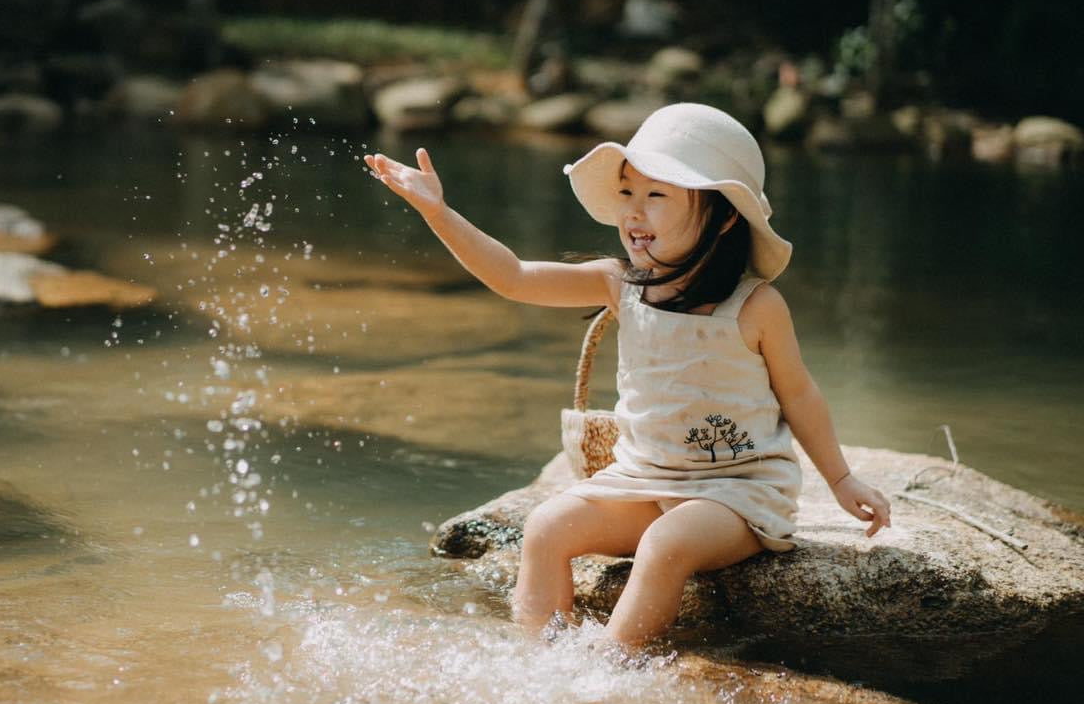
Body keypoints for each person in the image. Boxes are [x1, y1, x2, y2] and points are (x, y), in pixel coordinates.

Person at [364, 102, 891, 645]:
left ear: (725, 214)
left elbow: (799, 394)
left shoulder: (756, 306)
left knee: (666, 544)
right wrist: (437, 212)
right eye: (627, 194)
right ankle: (537, 659)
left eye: (657, 196)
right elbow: (515, 277)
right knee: (545, 528)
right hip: (643, 480)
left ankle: (613, 672)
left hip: (735, 493)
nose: (633, 213)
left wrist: (841, 478)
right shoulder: (621, 283)